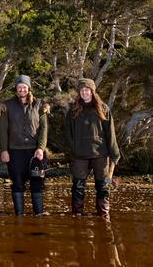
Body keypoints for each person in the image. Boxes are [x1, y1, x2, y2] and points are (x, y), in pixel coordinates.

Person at [65, 78, 120, 218]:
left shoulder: (103, 108)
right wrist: (74, 148)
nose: (84, 92)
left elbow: (110, 133)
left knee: (103, 186)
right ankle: (77, 214)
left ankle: (103, 215)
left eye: (87, 89)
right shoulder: (73, 110)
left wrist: (114, 154)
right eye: (82, 90)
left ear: (92, 91)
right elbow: (68, 133)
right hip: (79, 155)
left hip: (100, 154)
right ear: (79, 92)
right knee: (78, 187)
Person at [0, 75, 48, 216]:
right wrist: (4, 150)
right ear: (16, 89)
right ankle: (19, 216)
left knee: (37, 185)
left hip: (35, 152)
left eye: (24, 87)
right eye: (19, 87)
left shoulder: (40, 105)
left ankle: (38, 215)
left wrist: (41, 148)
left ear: (29, 88)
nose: (22, 89)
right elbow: (3, 130)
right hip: (14, 152)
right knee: (17, 184)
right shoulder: (7, 106)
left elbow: (44, 129)